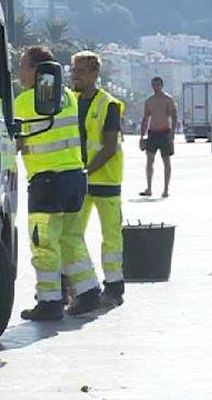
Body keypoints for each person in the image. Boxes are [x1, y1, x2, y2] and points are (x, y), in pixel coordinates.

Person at [16, 46, 100, 320]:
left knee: (44, 244)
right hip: (75, 178)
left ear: (37, 71)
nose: (19, 71)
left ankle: (50, 302)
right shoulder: (68, 98)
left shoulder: (26, 102)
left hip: (46, 182)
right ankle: (88, 294)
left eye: (23, 66)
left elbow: (15, 141)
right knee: (71, 239)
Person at [71, 51, 125, 307]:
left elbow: (110, 146)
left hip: (105, 180)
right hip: (79, 179)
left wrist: (86, 170)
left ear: (95, 73)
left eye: (80, 71)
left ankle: (114, 287)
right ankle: (78, 285)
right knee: (71, 233)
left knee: (111, 236)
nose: (75, 75)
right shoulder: (70, 101)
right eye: (73, 70)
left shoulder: (108, 104)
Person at [139, 77, 177, 198]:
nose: (156, 87)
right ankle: (149, 188)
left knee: (166, 161)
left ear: (162, 85)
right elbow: (145, 118)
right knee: (149, 160)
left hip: (164, 132)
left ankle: (166, 189)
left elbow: (174, 117)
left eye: (158, 85)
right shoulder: (149, 101)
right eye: (154, 85)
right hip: (152, 133)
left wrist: (172, 134)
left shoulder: (168, 99)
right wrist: (142, 135)